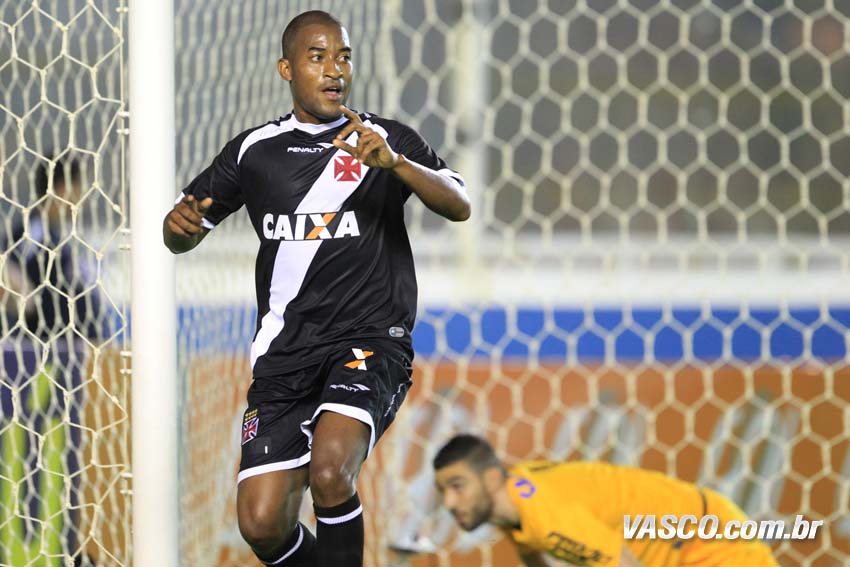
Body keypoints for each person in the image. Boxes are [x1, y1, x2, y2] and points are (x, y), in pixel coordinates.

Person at [162, 10, 470, 567]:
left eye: (343, 57)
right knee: (261, 523)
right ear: (287, 69)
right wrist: (177, 229)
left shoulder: (383, 140)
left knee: (331, 471)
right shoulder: (254, 151)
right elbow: (183, 231)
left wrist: (396, 164)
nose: (335, 70)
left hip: (368, 340)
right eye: (318, 57)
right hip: (285, 354)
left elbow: (460, 204)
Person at [433, 434, 779, 567]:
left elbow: (624, 564)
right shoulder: (516, 498)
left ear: (491, 479)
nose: (449, 502)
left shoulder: (546, 517)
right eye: (442, 490)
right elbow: (531, 552)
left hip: (711, 544)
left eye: (458, 486)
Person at [1, 157, 106, 343]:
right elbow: (24, 295)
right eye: (79, 186)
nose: (82, 194)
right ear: (62, 188)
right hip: (45, 347)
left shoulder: (65, 235)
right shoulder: (30, 234)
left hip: (75, 345)